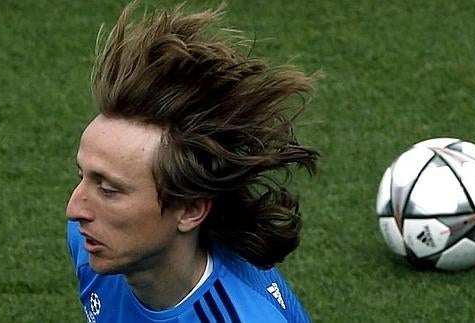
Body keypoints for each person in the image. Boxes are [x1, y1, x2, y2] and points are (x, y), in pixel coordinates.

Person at [65, 2, 320, 322]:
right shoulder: (91, 241)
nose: (75, 210)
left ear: (190, 210)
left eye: (109, 190)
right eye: (82, 176)